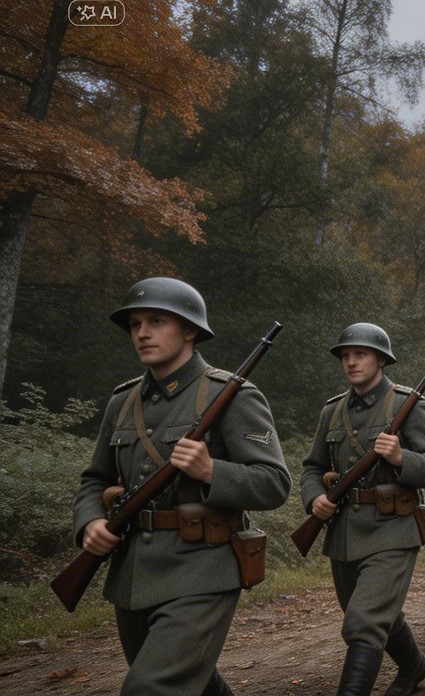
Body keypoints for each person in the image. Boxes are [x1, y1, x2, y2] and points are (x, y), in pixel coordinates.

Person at [73, 277, 291, 696]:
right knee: (194, 684)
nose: (142, 333)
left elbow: (274, 484)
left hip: (202, 569)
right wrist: (90, 522)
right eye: (135, 324)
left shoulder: (232, 395)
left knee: (150, 688)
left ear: (190, 329)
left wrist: (211, 471)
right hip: (133, 574)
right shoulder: (123, 401)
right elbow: (95, 479)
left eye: (156, 321)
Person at [301, 323, 425, 695]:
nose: (351, 362)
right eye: (345, 356)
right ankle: (414, 666)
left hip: (393, 526)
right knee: (373, 612)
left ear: (381, 360)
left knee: (364, 622)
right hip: (345, 532)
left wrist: (401, 458)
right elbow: (312, 467)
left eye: (360, 354)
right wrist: (314, 497)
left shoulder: (408, 404)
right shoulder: (332, 411)